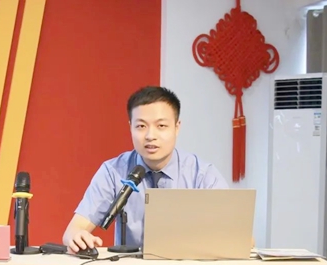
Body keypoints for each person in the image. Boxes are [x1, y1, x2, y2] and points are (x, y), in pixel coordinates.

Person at [63, 86, 238, 253]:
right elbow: (73, 230)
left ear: (177, 127)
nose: (150, 136)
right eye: (141, 126)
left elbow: (239, 237)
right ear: (130, 127)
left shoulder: (202, 175)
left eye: (161, 126)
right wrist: (77, 237)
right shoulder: (113, 172)